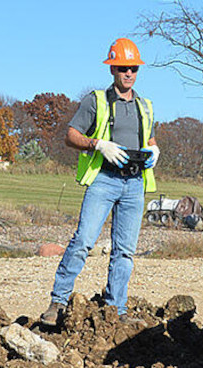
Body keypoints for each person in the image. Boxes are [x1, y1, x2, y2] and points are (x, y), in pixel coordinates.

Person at [40, 38, 159, 326]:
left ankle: (115, 311)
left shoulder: (145, 106)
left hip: (134, 184)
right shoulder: (96, 101)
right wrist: (98, 145)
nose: (128, 73)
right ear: (112, 69)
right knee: (83, 242)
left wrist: (155, 150)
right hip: (104, 180)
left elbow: (150, 138)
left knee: (125, 252)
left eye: (133, 68)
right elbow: (71, 136)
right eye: (122, 68)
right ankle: (57, 302)